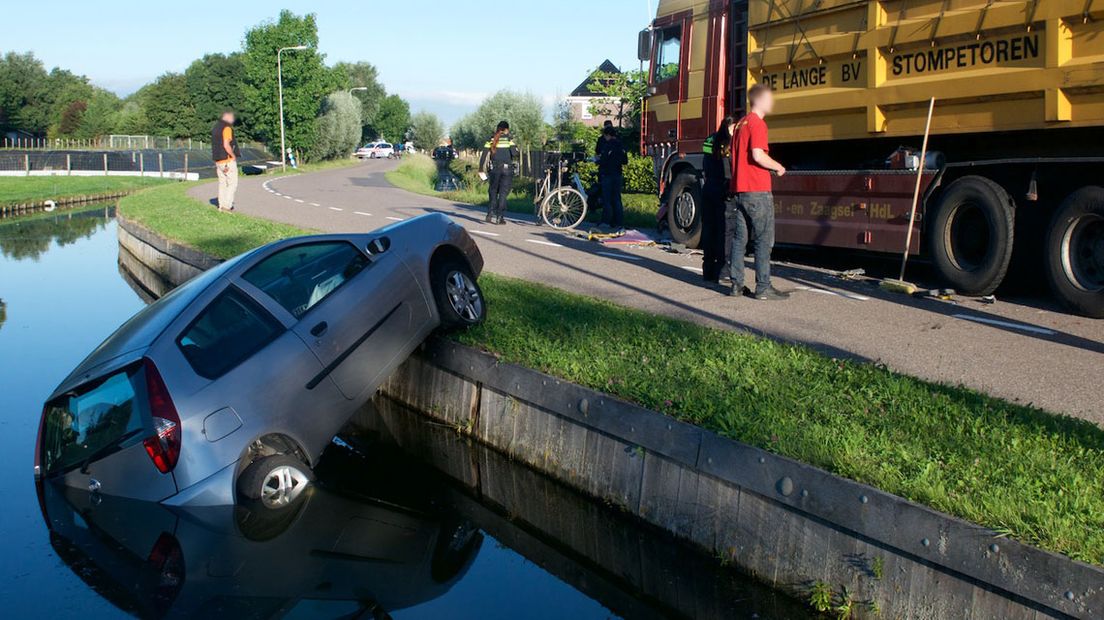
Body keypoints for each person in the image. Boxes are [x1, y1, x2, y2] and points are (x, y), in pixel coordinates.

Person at [727, 84, 789, 300]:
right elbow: (757, 155)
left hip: (740, 190)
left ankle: (736, 285)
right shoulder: (757, 124)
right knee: (763, 239)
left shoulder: (740, 124)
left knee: (739, 239)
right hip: (757, 190)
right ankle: (763, 287)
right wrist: (778, 166)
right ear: (761, 100)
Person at [701, 116, 735, 282]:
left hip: (708, 188)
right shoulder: (730, 142)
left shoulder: (709, 140)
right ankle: (723, 270)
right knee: (725, 232)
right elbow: (729, 169)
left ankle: (707, 271)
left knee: (709, 229)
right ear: (732, 126)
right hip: (723, 190)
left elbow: (705, 163)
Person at [479, 121, 519, 225]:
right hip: (507, 169)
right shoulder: (509, 139)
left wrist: (480, 169)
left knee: (492, 191)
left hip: (494, 169)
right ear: (506, 129)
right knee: (503, 193)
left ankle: (490, 214)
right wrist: (514, 145)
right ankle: (499, 217)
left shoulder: (491, 139)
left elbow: (483, 155)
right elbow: (515, 153)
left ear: (497, 129)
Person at [596, 125, 627, 231]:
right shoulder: (621, 145)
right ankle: (618, 222)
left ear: (608, 135)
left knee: (607, 199)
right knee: (617, 199)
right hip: (618, 174)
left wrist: (598, 160)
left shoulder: (608, 145)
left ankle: (606, 221)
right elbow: (625, 161)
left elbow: (604, 160)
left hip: (608, 174)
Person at [211, 108, 241, 212]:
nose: (233, 120)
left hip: (218, 160)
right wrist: (233, 156)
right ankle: (227, 205)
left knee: (222, 183)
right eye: (232, 117)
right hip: (227, 160)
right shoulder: (226, 128)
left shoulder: (215, 128)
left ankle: (221, 205)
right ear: (227, 116)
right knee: (232, 183)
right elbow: (226, 144)